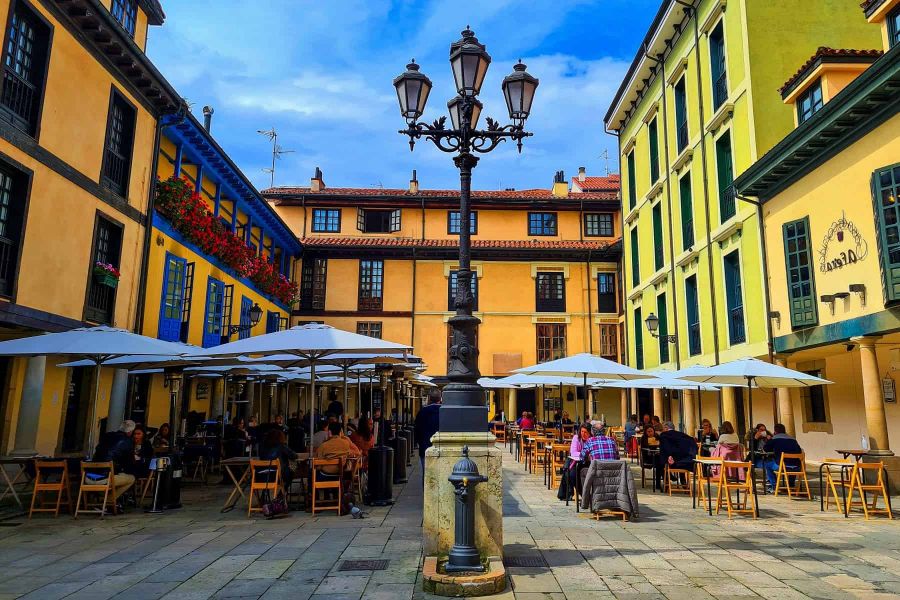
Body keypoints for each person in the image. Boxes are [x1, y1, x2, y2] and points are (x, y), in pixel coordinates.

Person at [93, 420, 136, 502]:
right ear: (130, 432)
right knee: (131, 478)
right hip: (105, 478)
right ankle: (108, 501)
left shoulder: (107, 436)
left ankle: (104, 499)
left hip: (89, 477)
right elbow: (129, 463)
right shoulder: (127, 441)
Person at [762, 423, 803, 492]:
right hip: (797, 466)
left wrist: (769, 440)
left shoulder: (774, 439)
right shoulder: (793, 439)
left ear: (775, 432)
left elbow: (765, 449)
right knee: (792, 462)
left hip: (783, 466)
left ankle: (774, 486)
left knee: (767, 464)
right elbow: (799, 451)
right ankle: (791, 485)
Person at [657, 421, 697, 489]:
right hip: (686, 462)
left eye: (663, 428)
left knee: (659, 461)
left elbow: (665, 448)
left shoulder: (664, 435)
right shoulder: (682, 434)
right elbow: (692, 441)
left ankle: (665, 481)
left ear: (666, 428)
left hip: (672, 462)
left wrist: (670, 455)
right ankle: (683, 481)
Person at [558, 423, 590, 501]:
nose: (583, 434)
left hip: (587, 463)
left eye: (586, 432)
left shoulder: (591, 440)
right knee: (571, 474)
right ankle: (571, 493)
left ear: (589, 433)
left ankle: (585, 495)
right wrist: (584, 454)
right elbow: (573, 452)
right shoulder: (576, 438)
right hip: (575, 462)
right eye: (582, 431)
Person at [414, 388, 441, 479]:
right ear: (440, 398)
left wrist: (417, 442)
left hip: (425, 447)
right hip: (440, 447)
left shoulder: (422, 412)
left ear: (429, 398)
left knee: (427, 474)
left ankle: (426, 492)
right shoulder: (444, 411)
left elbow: (417, 429)